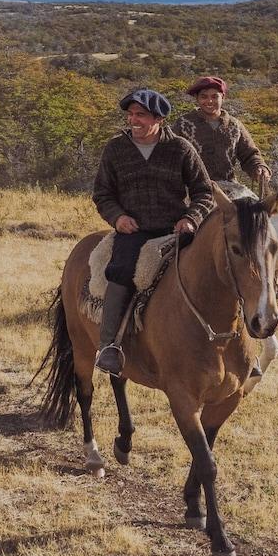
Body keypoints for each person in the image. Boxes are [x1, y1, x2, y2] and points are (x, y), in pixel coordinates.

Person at [90, 87, 215, 375]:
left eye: (141, 115)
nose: (134, 120)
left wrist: (191, 218)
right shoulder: (116, 148)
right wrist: (118, 217)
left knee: (210, 268)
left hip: (175, 229)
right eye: (131, 114)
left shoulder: (181, 148)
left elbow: (203, 192)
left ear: (158, 118)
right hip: (134, 231)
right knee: (120, 270)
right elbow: (102, 194)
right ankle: (109, 345)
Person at [175, 75, 271, 200]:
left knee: (257, 214)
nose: (209, 101)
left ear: (223, 97)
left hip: (229, 188)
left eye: (215, 96)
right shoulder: (183, 124)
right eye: (204, 96)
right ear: (196, 98)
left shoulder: (234, 125)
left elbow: (249, 155)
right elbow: (171, 154)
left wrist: (259, 168)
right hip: (193, 189)